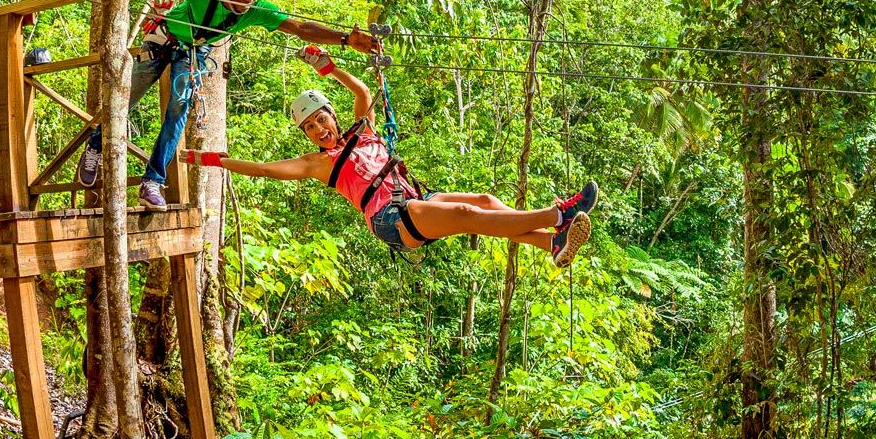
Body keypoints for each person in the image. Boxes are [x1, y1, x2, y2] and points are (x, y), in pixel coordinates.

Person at [197, 46, 599, 266]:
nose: (321, 130)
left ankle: (552, 246)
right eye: (312, 128)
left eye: (322, 120)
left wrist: (329, 67)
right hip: (390, 220)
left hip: (414, 198)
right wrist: (213, 159)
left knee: (484, 203)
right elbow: (266, 169)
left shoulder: (363, 131)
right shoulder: (319, 164)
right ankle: (557, 216)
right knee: (467, 218)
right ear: (308, 135)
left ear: (332, 116)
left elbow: (363, 95)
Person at [71, 0, 376, 210]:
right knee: (128, 97)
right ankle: (96, 146)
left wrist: (346, 39)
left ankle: (153, 181)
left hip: (194, 54)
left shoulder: (255, 11)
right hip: (164, 39)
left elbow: (300, 28)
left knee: (178, 112)